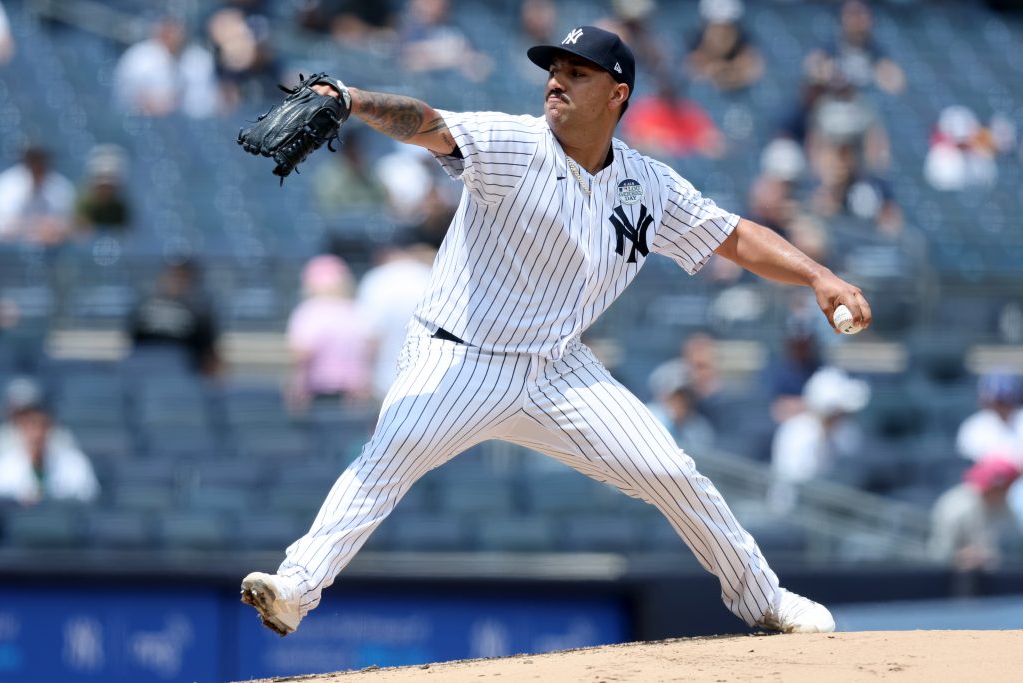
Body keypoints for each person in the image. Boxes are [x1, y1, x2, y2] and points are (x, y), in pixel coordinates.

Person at [241, 25, 873, 638]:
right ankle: (296, 588)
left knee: (674, 473)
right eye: (553, 70)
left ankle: (765, 601)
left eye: (577, 73)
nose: (556, 82)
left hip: (559, 369)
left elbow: (733, 236)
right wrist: (352, 100)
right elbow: (427, 121)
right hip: (462, 356)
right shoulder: (513, 144)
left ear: (617, 93)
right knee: (387, 459)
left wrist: (819, 276)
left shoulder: (647, 184)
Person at [770, 366, 869, 512]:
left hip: (831, 511)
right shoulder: (795, 433)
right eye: (837, 412)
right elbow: (799, 482)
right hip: (795, 512)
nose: (841, 416)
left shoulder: (846, 433)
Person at [285, 254, 372, 412]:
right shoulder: (356, 310)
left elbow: (302, 354)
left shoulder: (309, 311)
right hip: (353, 394)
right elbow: (369, 349)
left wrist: (293, 387)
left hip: (317, 392)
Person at [356, 235, 436, 402]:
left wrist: (362, 374)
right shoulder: (429, 275)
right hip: (431, 374)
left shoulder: (376, 279)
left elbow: (370, 336)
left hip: (387, 379)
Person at [0, 377, 100, 505]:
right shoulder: (4, 466)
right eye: (29, 426)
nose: (36, 434)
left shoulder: (74, 463)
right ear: (19, 427)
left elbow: (88, 499)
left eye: (42, 425)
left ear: (50, 427)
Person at [127, 260, 222, 377]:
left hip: (181, 376)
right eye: (173, 277)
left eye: (182, 278)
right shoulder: (143, 307)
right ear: (162, 278)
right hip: (143, 373)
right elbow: (133, 346)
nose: (176, 282)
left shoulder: (199, 312)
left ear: (192, 282)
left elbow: (210, 358)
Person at [928, 454, 1021, 571]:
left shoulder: (1004, 506)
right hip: (955, 579)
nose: (1006, 490)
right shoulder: (957, 508)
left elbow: (1014, 550)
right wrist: (961, 557)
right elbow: (938, 557)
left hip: (997, 578)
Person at [113, 16, 219, 118]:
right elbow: (125, 97)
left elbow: (205, 101)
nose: (173, 35)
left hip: (184, 123)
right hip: (142, 120)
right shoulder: (139, 58)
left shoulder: (199, 59)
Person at [0, 146, 75, 245]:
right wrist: (37, 227)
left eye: (40, 162)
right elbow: (5, 226)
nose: (37, 166)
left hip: (52, 252)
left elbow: (71, 224)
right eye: (33, 162)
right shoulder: (8, 184)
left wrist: (55, 227)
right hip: (13, 252)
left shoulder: (61, 186)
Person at [956, 372, 1023, 465]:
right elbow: (968, 463)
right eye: (997, 401)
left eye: (1006, 400)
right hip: (988, 478)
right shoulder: (973, 426)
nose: (1002, 405)